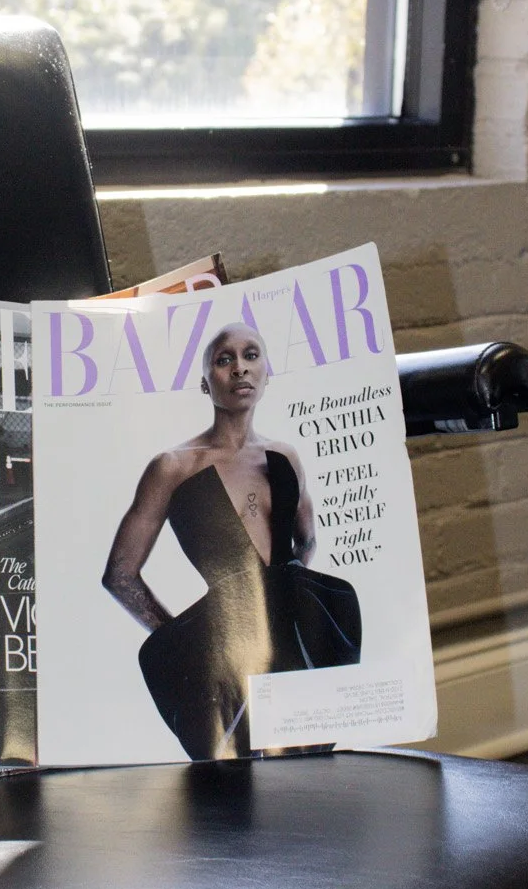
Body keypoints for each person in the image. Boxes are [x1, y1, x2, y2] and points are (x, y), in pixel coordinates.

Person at [101, 321, 361, 761]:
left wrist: (291, 605)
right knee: (239, 780)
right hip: (230, 655)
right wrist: (186, 638)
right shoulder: (172, 467)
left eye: (251, 355)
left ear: (266, 372)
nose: (240, 368)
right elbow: (120, 576)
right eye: (224, 360)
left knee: (307, 774)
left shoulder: (284, 457)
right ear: (206, 383)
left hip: (298, 647)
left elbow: (306, 541)